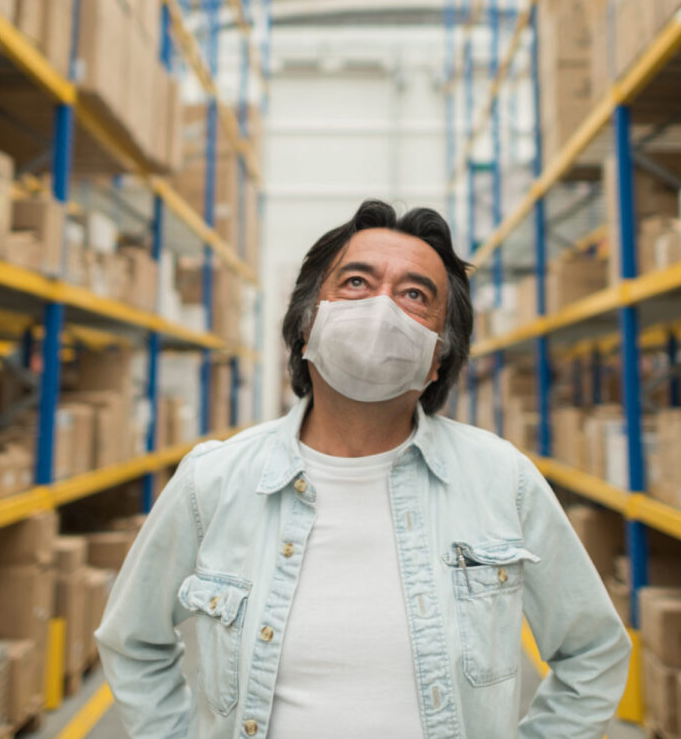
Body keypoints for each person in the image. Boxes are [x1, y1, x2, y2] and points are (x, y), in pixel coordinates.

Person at [96, 200, 631, 738]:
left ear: (438, 357)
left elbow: (593, 652)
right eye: (356, 282)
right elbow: (133, 642)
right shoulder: (212, 480)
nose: (382, 308)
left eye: (415, 295)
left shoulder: (502, 480)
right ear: (307, 324)